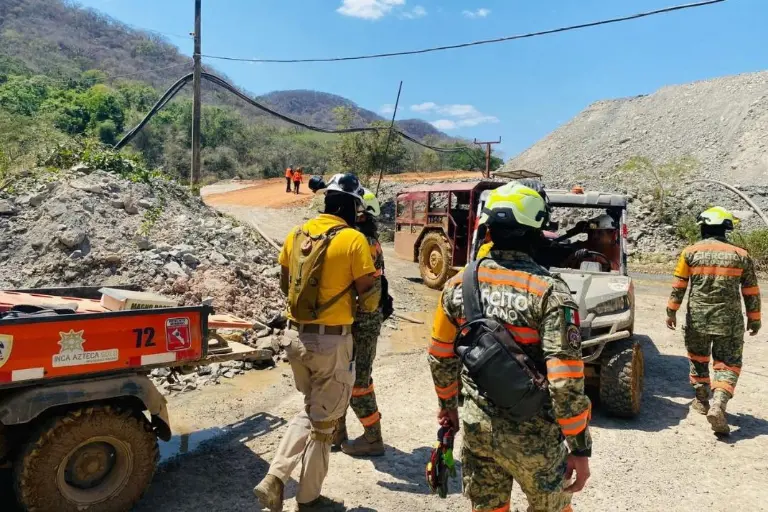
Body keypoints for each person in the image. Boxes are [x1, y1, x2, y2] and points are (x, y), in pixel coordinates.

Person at [428, 182, 592, 512]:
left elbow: (440, 355)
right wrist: (579, 447)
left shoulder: (458, 284)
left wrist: (448, 408)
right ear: (537, 233)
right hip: (535, 439)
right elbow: (564, 381)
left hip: (478, 431)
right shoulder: (549, 292)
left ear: (488, 231)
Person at [253, 173, 381, 511]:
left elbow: (285, 285)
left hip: (295, 339)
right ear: (353, 205)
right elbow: (370, 299)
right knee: (322, 427)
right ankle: (294, 490)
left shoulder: (297, 234)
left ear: (326, 202)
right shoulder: (354, 239)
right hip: (331, 344)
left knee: (311, 409)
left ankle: (285, 484)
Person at [666, 206, 761, 435]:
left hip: (698, 319)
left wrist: (671, 311)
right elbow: (751, 291)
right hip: (729, 321)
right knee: (728, 363)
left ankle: (701, 400)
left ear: (703, 227)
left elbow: (679, 285)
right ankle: (719, 403)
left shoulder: (689, 252)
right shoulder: (741, 255)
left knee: (698, 358)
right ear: (727, 228)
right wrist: (754, 318)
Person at [333, 188, 387, 457]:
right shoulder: (363, 241)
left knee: (358, 380)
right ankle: (337, 430)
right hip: (353, 321)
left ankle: (372, 437)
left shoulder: (363, 243)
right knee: (341, 376)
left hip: (361, 323)